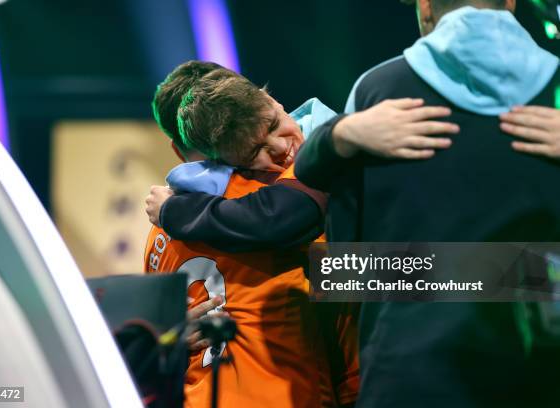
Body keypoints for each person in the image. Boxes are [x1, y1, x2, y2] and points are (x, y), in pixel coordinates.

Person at [145, 61, 458, 407]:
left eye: (275, 125)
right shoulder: (292, 192)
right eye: (254, 151)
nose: (279, 150)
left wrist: (165, 337)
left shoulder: (162, 230)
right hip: (391, 372)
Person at [294, 1, 560, 407]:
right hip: (539, 364)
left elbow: (348, 261)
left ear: (425, 8)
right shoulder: (555, 90)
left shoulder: (378, 90)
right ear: (510, 2)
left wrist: (336, 137)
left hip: (411, 363)